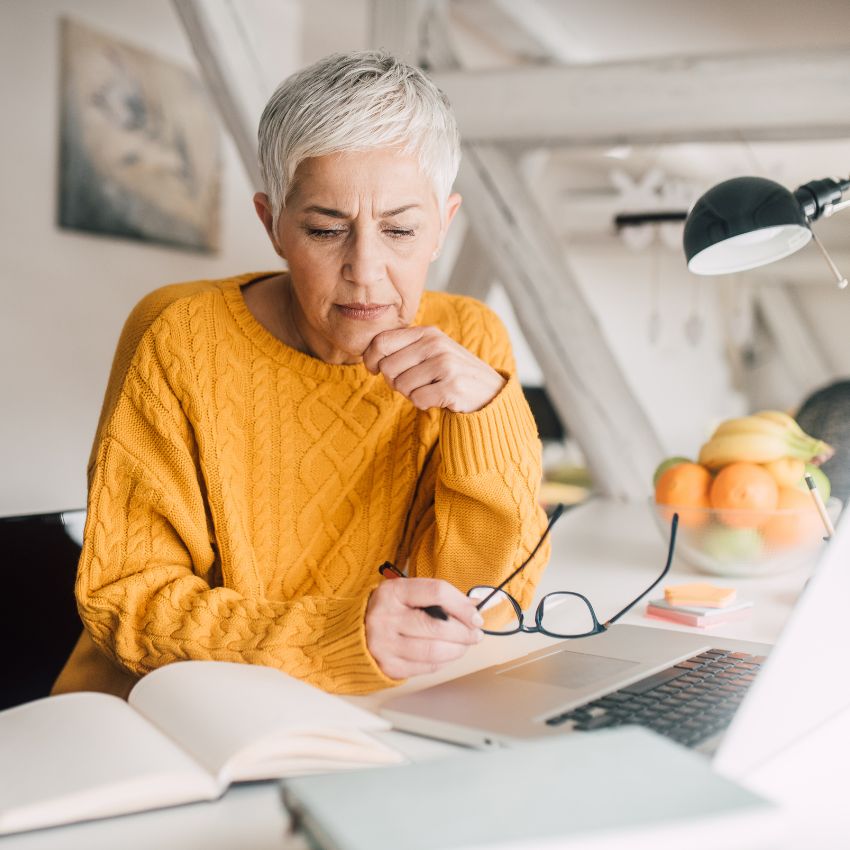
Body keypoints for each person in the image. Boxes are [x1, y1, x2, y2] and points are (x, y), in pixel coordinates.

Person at [52, 50, 550, 699]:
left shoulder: (472, 339)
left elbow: (485, 601)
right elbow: (127, 601)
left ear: (443, 227)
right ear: (272, 223)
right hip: (161, 711)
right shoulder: (177, 336)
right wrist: (331, 635)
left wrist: (490, 416)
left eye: (400, 229)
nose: (366, 270)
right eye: (324, 230)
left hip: (366, 710)